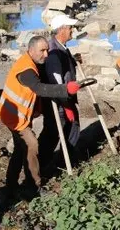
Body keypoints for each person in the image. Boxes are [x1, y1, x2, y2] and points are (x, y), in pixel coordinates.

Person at [0, 35, 81, 199]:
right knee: (31, 145)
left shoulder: (32, 62)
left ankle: (11, 185)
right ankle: (34, 187)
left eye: (47, 50)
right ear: (31, 50)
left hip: (13, 114)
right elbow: (39, 88)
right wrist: (65, 89)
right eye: (42, 51)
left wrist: (72, 60)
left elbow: (42, 75)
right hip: (14, 117)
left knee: (20, 150)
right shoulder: (26, 69)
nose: (46, 54)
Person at [38, 14, 81, 175]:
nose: (72, 31)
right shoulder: (54, 52)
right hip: (58, 101)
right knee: (53, 132)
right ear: (62, 29)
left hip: (63, 99)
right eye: (70, 28)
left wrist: (73, 60)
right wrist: (66, 104)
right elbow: (56, 82)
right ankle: (41, 166)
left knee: (63, 129)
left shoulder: (61, 48)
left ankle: (63, 160)